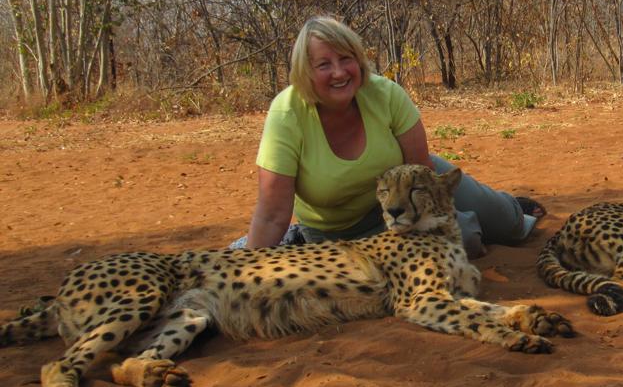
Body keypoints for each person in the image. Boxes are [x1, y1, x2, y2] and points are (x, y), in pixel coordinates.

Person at [232, 15, 544, 258]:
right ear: (305, 71)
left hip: (411, 193)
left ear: (358, 60)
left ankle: (513, 209)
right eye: (324, 64)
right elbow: (273, 214)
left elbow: (420, 172)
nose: (339, 72)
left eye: (346, 59)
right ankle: (297, 238)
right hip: (339, 230)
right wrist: (244, 271)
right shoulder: (286, 114)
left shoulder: (386, 93)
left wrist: (429, 221)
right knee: (466, 239)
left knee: (508, 224)